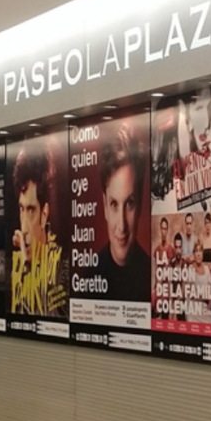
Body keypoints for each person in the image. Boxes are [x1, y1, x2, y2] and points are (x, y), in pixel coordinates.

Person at [93, 123, 151, 302]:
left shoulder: (152, 276)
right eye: (114, 204)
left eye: (129, 204)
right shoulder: (88, 277)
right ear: (104, 205)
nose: (122, 226)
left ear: (140, 203)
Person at [10, 143, 65, 316]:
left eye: (31, 210)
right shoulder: (15, 265)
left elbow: (55, 323)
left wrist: (28, 269)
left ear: (44, 214)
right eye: (21, 209)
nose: (24, 227)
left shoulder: (62, 269)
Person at [187, 239, 211, 324]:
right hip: (193, 308)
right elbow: (191, 294)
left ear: (203, 254)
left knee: (209, 322)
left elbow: (210, 293)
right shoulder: (190, 268)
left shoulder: (207, 269)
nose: (198, 254)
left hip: (205, 307)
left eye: (200, 251)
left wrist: (209, 306)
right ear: (194, 254)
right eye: (196, 251)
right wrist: (204, 296)